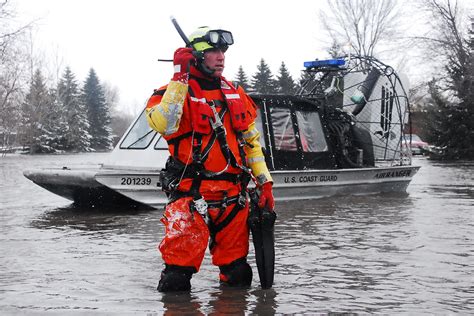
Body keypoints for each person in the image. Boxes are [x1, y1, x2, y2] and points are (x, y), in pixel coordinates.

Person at [146, 26, 275, 292]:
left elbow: (251, 143)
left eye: (223, 51)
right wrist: (179, 78)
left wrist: (265, 183)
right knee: (176, 281)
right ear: (194, 56)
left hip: (232, 200)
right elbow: (164, 124)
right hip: (190, 199)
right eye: (213, 51)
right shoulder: (168, 94)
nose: (221, 57)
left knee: (238, 275)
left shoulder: (235, 94)